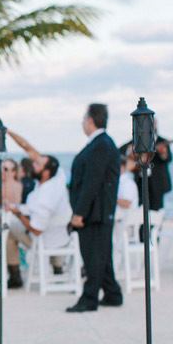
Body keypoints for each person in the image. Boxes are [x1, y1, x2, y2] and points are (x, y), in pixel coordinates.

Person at [66, 103, 122, 312]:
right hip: (97, 211)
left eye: (83, 119)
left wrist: (79, 213)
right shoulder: (102, 143)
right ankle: (112, 293)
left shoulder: (100, 144)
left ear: (90, 120)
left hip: (94, 213)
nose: (82, 123)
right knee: (102, 254)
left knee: (93, 256)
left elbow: (93, 181)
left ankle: (89, 299)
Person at [5, 155, 72, 288]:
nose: (33, 165)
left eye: (37, 164)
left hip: (44, 241)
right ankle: (57, 267)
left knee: (9, 230)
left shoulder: (46, 194)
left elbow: (36, 229)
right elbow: (33, 209)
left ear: (46, 172)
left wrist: (18, 214)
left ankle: (14, 276)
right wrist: (19, 208)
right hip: (63, 238)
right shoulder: (54, 184)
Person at [120, 124, 172, 211]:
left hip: (157, 183)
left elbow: (168, 159)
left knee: (156, 210)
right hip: (139, 181)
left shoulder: (162, 141)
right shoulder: (135, 142)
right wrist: (131, 152)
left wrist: (163, 153)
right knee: (140, 210)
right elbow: (121, 152)